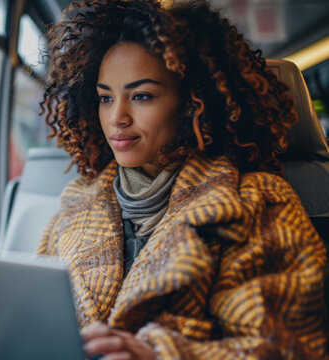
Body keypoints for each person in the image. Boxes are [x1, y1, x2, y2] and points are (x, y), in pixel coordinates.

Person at [35, 0, 327, 359]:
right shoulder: (75, 202)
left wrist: (160, 354)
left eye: (141, 96)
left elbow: (287, 347)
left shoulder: (259, 200)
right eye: (105, 98)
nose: (117, 118)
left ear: (192, 102)